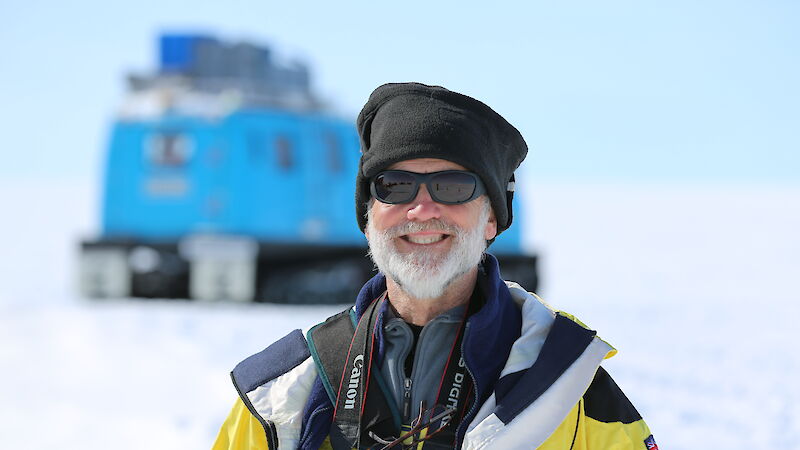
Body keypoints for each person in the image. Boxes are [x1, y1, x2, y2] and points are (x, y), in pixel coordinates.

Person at [212, 83, 656, 449]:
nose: (423, 209)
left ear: (491, 219)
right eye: (395, 185)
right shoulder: (280, 395)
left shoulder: (567, 381)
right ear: (368, 218)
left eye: (452, 186)